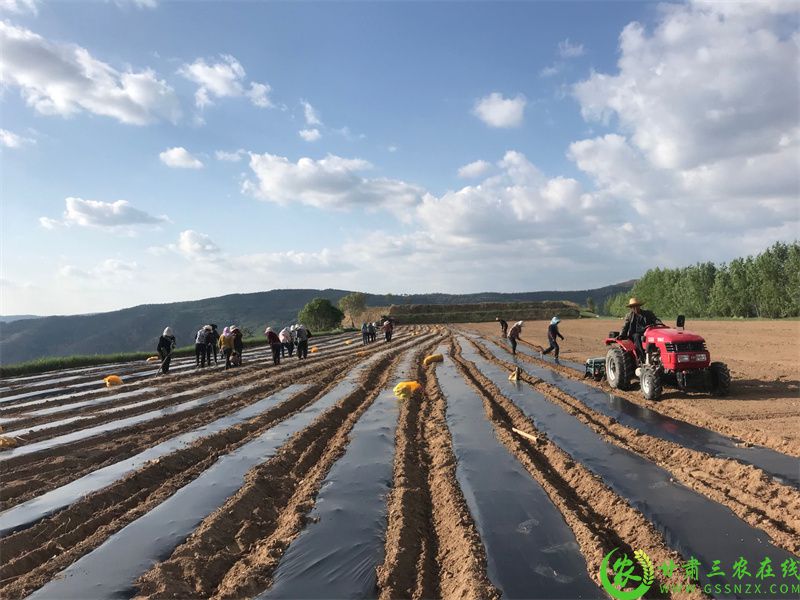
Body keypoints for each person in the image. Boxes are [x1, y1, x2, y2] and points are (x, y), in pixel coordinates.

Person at [619, 298, 658, 363]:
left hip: (647, 332)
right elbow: (625, 326)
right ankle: (642, 357)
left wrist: (660, 324)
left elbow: (656, 320)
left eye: (636, 306)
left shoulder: (648, 314)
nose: (635, 308)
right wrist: (621, 335)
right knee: (637, 336)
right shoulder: (629, 316)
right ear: (631, 308)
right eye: (633, 307)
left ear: (639, 306)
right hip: (635, 334)